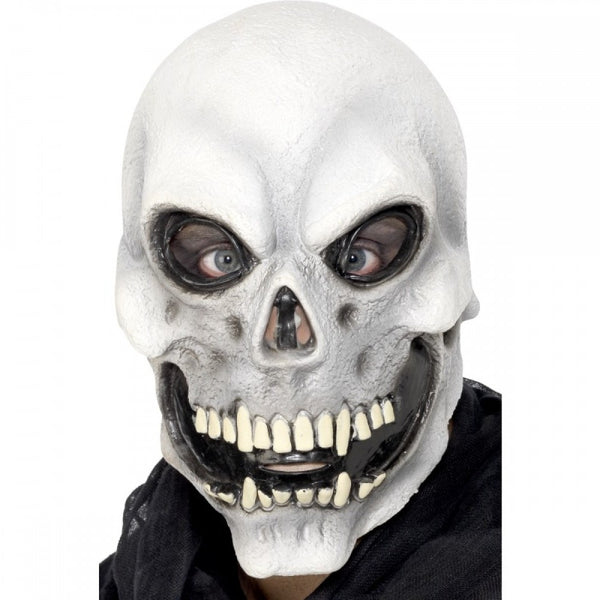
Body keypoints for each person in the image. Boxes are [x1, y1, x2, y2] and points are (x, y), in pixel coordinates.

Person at [100, 3, 501, 598]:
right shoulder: (146, 565)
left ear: (452, 277)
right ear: (139, 288)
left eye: (363, 254)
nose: (287, 344)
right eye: (217, 259)